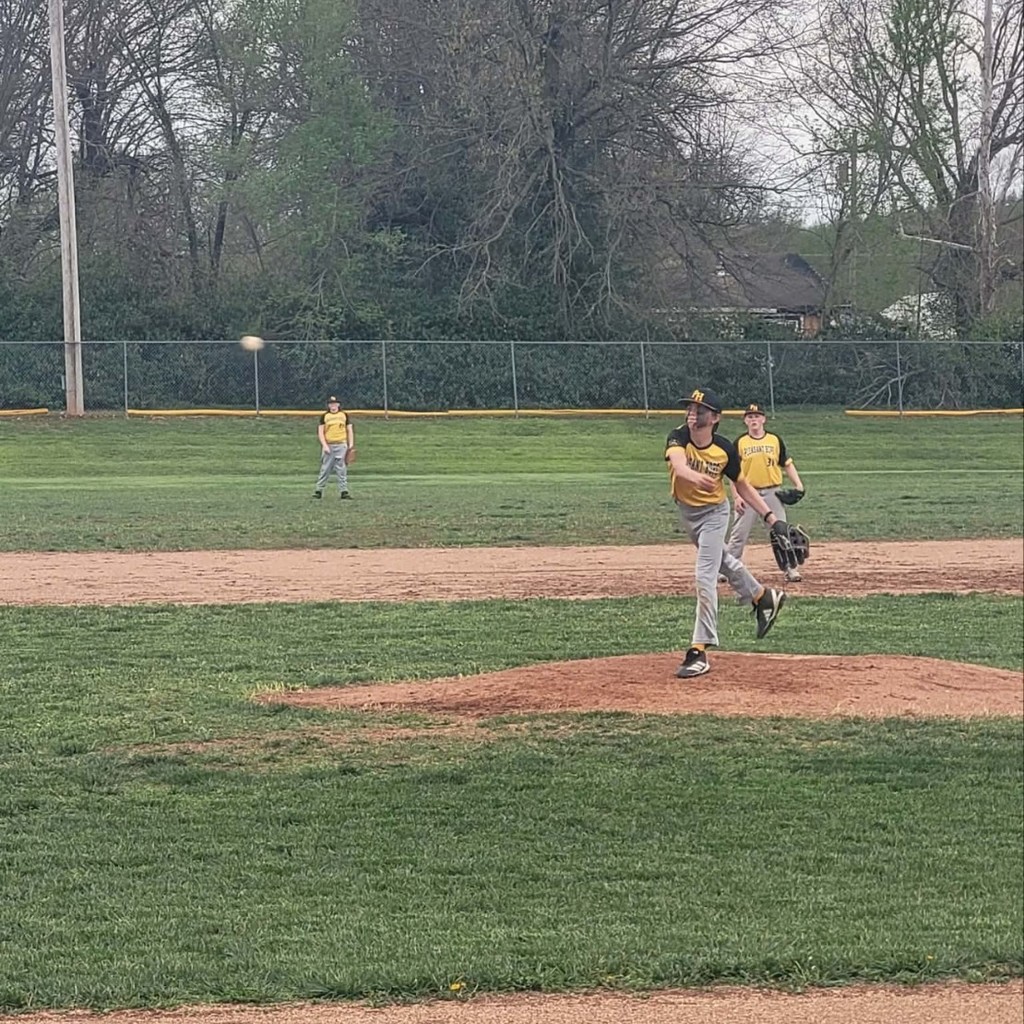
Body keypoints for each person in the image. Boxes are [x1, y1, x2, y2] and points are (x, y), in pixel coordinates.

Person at [665, 387, 789, 679]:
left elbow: (742, 484)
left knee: (704, 575)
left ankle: (700, 649)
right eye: (691, 408)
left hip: (714, 514)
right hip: (688, 513)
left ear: (716, 417)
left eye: (700, 410)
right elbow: (679, 467)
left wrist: (772, 519)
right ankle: (762, 596)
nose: (693, 413)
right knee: (724, 561)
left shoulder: (724, 449)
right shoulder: (678, 436)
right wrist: (698, 477)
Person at [724, 402, 806, 582]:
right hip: (748, 493)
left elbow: (787, 464)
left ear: (763, 419)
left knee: (781, 530)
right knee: (739, 534)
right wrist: (736, 496)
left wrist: (799, 485)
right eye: (750, 417)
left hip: (772, 492)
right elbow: (732, 473)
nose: (754, 419)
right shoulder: (739, 443)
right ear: (745, 421)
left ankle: (791, 569)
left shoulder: (774, 440)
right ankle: (727, 569)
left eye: (757, 416)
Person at [312, 396, 355, 499]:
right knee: (325, 468)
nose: (333, 406)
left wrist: (351, 444)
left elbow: (349, 430)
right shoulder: (325, 416)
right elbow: (321, 432)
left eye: (335, 403)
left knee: (341, 469)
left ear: (338, 405)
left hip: (341, 444)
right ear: (328, 405)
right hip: (329, 445)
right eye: (331, 404)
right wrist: (325, 445)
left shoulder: (344, 415)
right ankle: (319, 490)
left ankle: (344, 491)